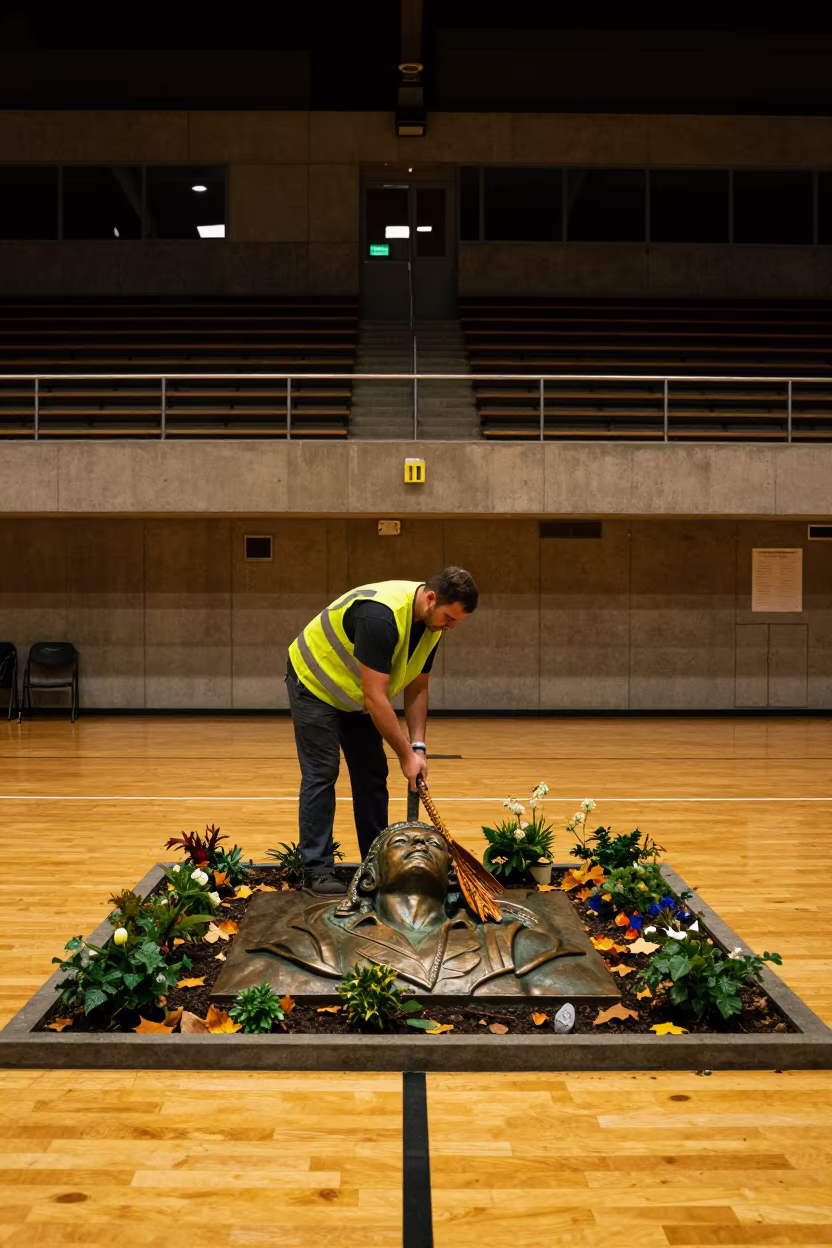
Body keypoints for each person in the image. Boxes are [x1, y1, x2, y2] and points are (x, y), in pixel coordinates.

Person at [285, 568, 478, 894]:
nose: (453, 626)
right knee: (322, 773)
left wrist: (417, 746)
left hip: (356, 696)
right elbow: (376, 697)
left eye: (458, 621)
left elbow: (417, 687)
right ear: (431, 599)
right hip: (315, 684)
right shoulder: (381, 617)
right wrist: (404, 755)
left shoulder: (433, 625)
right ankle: (316, 872)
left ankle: (374, 864)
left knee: (372, 773)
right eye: (450, 617)